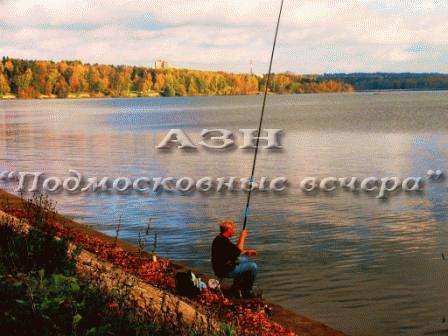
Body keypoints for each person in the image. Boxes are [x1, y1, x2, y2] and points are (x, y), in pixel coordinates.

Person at [211, 220, 258, 298]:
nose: (234, 231)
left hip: (221, 267)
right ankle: (247, 291)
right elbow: (238, 250)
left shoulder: (220, 239)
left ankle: (236, 287)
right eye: (233, 229)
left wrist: (246, 252)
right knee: (253, 266)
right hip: (224, 270)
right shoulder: (223, 241)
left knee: (244, 260)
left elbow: (234, 251)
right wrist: (242, 236)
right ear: (228, 230)